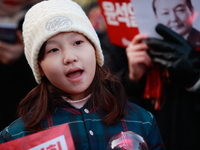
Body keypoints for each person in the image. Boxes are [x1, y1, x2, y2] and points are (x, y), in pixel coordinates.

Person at [0, 0, 165, 149]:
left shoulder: (142, 121)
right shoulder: (16, 137)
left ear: (95, 49)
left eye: (78, 42)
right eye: (53, 50)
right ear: (39, 67)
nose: (69, 57)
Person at [126, 22, 200, 150]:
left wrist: (196, 79)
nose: (173, 18)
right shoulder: (120, 44)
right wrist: (133, 79)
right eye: (165, 12)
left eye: (180, 10)